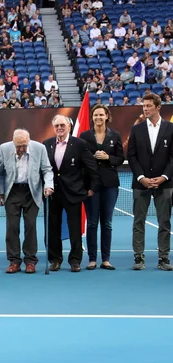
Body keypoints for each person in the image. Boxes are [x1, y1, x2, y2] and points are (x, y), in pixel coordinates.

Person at [43, 115, 100, 272]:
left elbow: (91, 167)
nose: (60, 128)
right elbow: (42, 168)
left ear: (69, 126)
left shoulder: (80, 144)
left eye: (62, 125)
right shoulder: (47, 144)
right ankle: (55, 259)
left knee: (74, 228)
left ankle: (75, 260)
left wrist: (92, 188)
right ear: (53, 128)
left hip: (73, 193)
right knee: (52, 228)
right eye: (57, 126)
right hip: (52, 193)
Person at [127, 92, 173, 271]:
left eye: (148, 106)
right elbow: (131, 156)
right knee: (139, 221)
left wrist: (164, 177)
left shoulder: (170, 128)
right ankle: (138, 257)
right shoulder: (136, 129)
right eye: (144, 106)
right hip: (141, 184)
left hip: (165, 184)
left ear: (158, 107)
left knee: (165, 221)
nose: (145, 109)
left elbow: (172, 158)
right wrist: (142, 178)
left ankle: (164, 258)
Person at [0, 129, 54, 274]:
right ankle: (14, 261)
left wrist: (48, 185)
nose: (21, 149)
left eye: (24, 146)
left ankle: (30, 261)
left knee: (30, 226)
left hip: (32, 192)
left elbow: (47, 169)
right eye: (18, 146)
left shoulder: (39, 148)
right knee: (12, 228)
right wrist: (1, 192)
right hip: (12, 191)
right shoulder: (4, 148)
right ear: (13, 142)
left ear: (28, 141)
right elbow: (0, 172)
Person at [79, 104, 124, 270]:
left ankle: (106, 259)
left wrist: (107, 157)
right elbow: (80, 160)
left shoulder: (115, 135)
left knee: (107, 223)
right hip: (91, 185)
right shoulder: (84, 136)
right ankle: (92, 259)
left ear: (107, 116)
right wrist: (92, 157)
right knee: (91, 223)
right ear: (92, 118)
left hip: (110, 185)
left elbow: (120, 158)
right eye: (95, 115)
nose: (98, 118)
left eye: (101, 115)